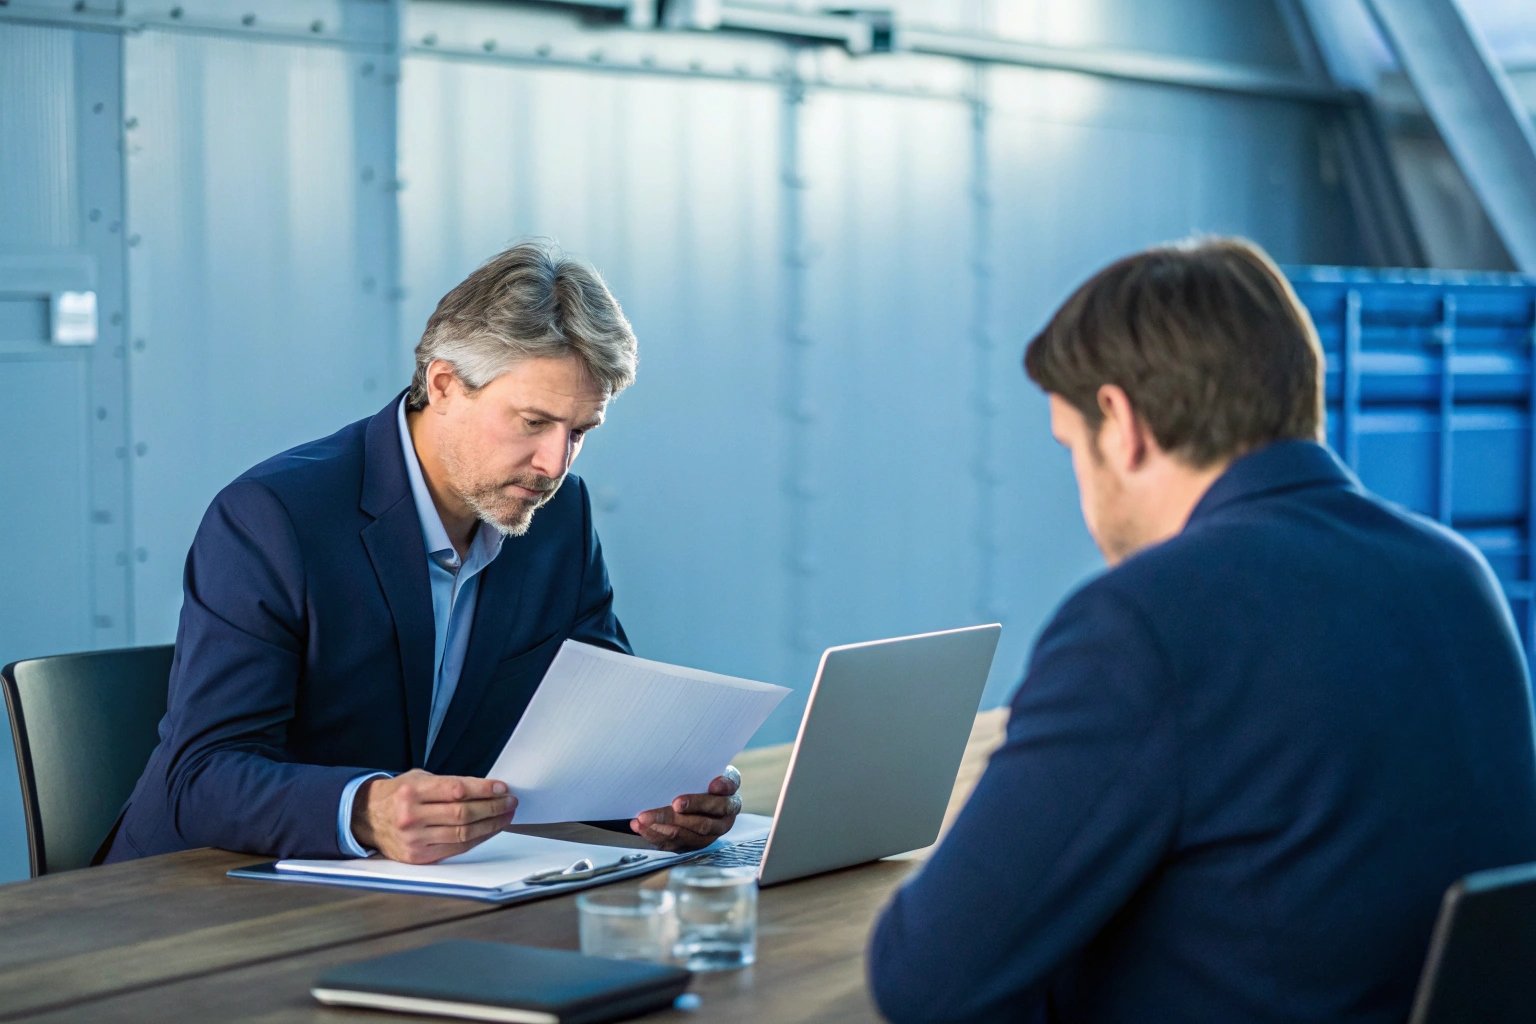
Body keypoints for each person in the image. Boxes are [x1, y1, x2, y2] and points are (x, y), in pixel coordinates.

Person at [867, 237, 1536, 1022]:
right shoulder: (1455, 575)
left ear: (1120, 424)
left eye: (1070, 450)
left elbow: (923, 979)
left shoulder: (1143, 621)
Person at [106, 241, 741, 865]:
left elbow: (589, 738)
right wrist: (366, 810)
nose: (555, 463)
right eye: (532, 422)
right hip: (200, 894)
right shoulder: (274, 518)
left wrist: (664, 801)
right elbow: (202, 778)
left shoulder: (559, 517)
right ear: (443, 385)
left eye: (579, 432)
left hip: (429, 892)